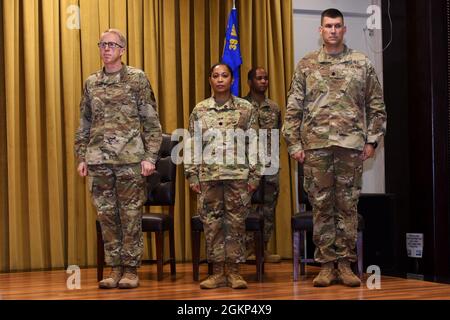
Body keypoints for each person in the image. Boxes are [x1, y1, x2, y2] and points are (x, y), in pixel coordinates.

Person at [282, 9, 387, 287]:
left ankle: (345, 264)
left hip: (350, 147)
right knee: (321, 206)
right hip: (315, 148)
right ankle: (326, 266)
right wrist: (294, 144)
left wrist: (371, 141)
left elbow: (377, 106)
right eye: (328, 26)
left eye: (337, 26)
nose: (333, 30)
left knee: (347, 206)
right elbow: (293, 109)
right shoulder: (306, 65)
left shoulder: (361, 63)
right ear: (320, 30)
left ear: (344, 30)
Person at [74, 29, 162, 289]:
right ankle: (114, 268)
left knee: (130, 215)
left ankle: (131, 270)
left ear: (122, 50)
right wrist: (82, 156)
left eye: (112, 44)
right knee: (107, 216)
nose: (106, 48)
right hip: (99, 161)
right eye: (103, 44)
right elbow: (85, 122)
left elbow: (151, 121)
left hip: (130, 161)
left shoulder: (137, 78)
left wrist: (150, 157)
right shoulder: (92, 82)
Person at [184, 63, 260, 289]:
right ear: (210, 80)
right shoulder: (200, 110)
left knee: (236, 223)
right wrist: (192, 175)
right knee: (212, 224)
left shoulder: (246, 108)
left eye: (224, 76)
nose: (220, 80)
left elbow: (255, 143)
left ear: (232, 79)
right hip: (208, 176)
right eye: (215, 76)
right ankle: (217, 272)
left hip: (238, 176)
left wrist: (254, 176)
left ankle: (235, 272)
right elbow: (192, 144)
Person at [244, 67, 282, 263]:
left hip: (270, 163)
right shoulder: (242, 106)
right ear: (250, 82)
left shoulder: (274, 108)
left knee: (268, 207)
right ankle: (247, 250)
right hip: (248, 165)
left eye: (266, 78)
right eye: (259, 78)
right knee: (247, 206)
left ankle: (263, 249)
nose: (263, 81)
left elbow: (277, 134)